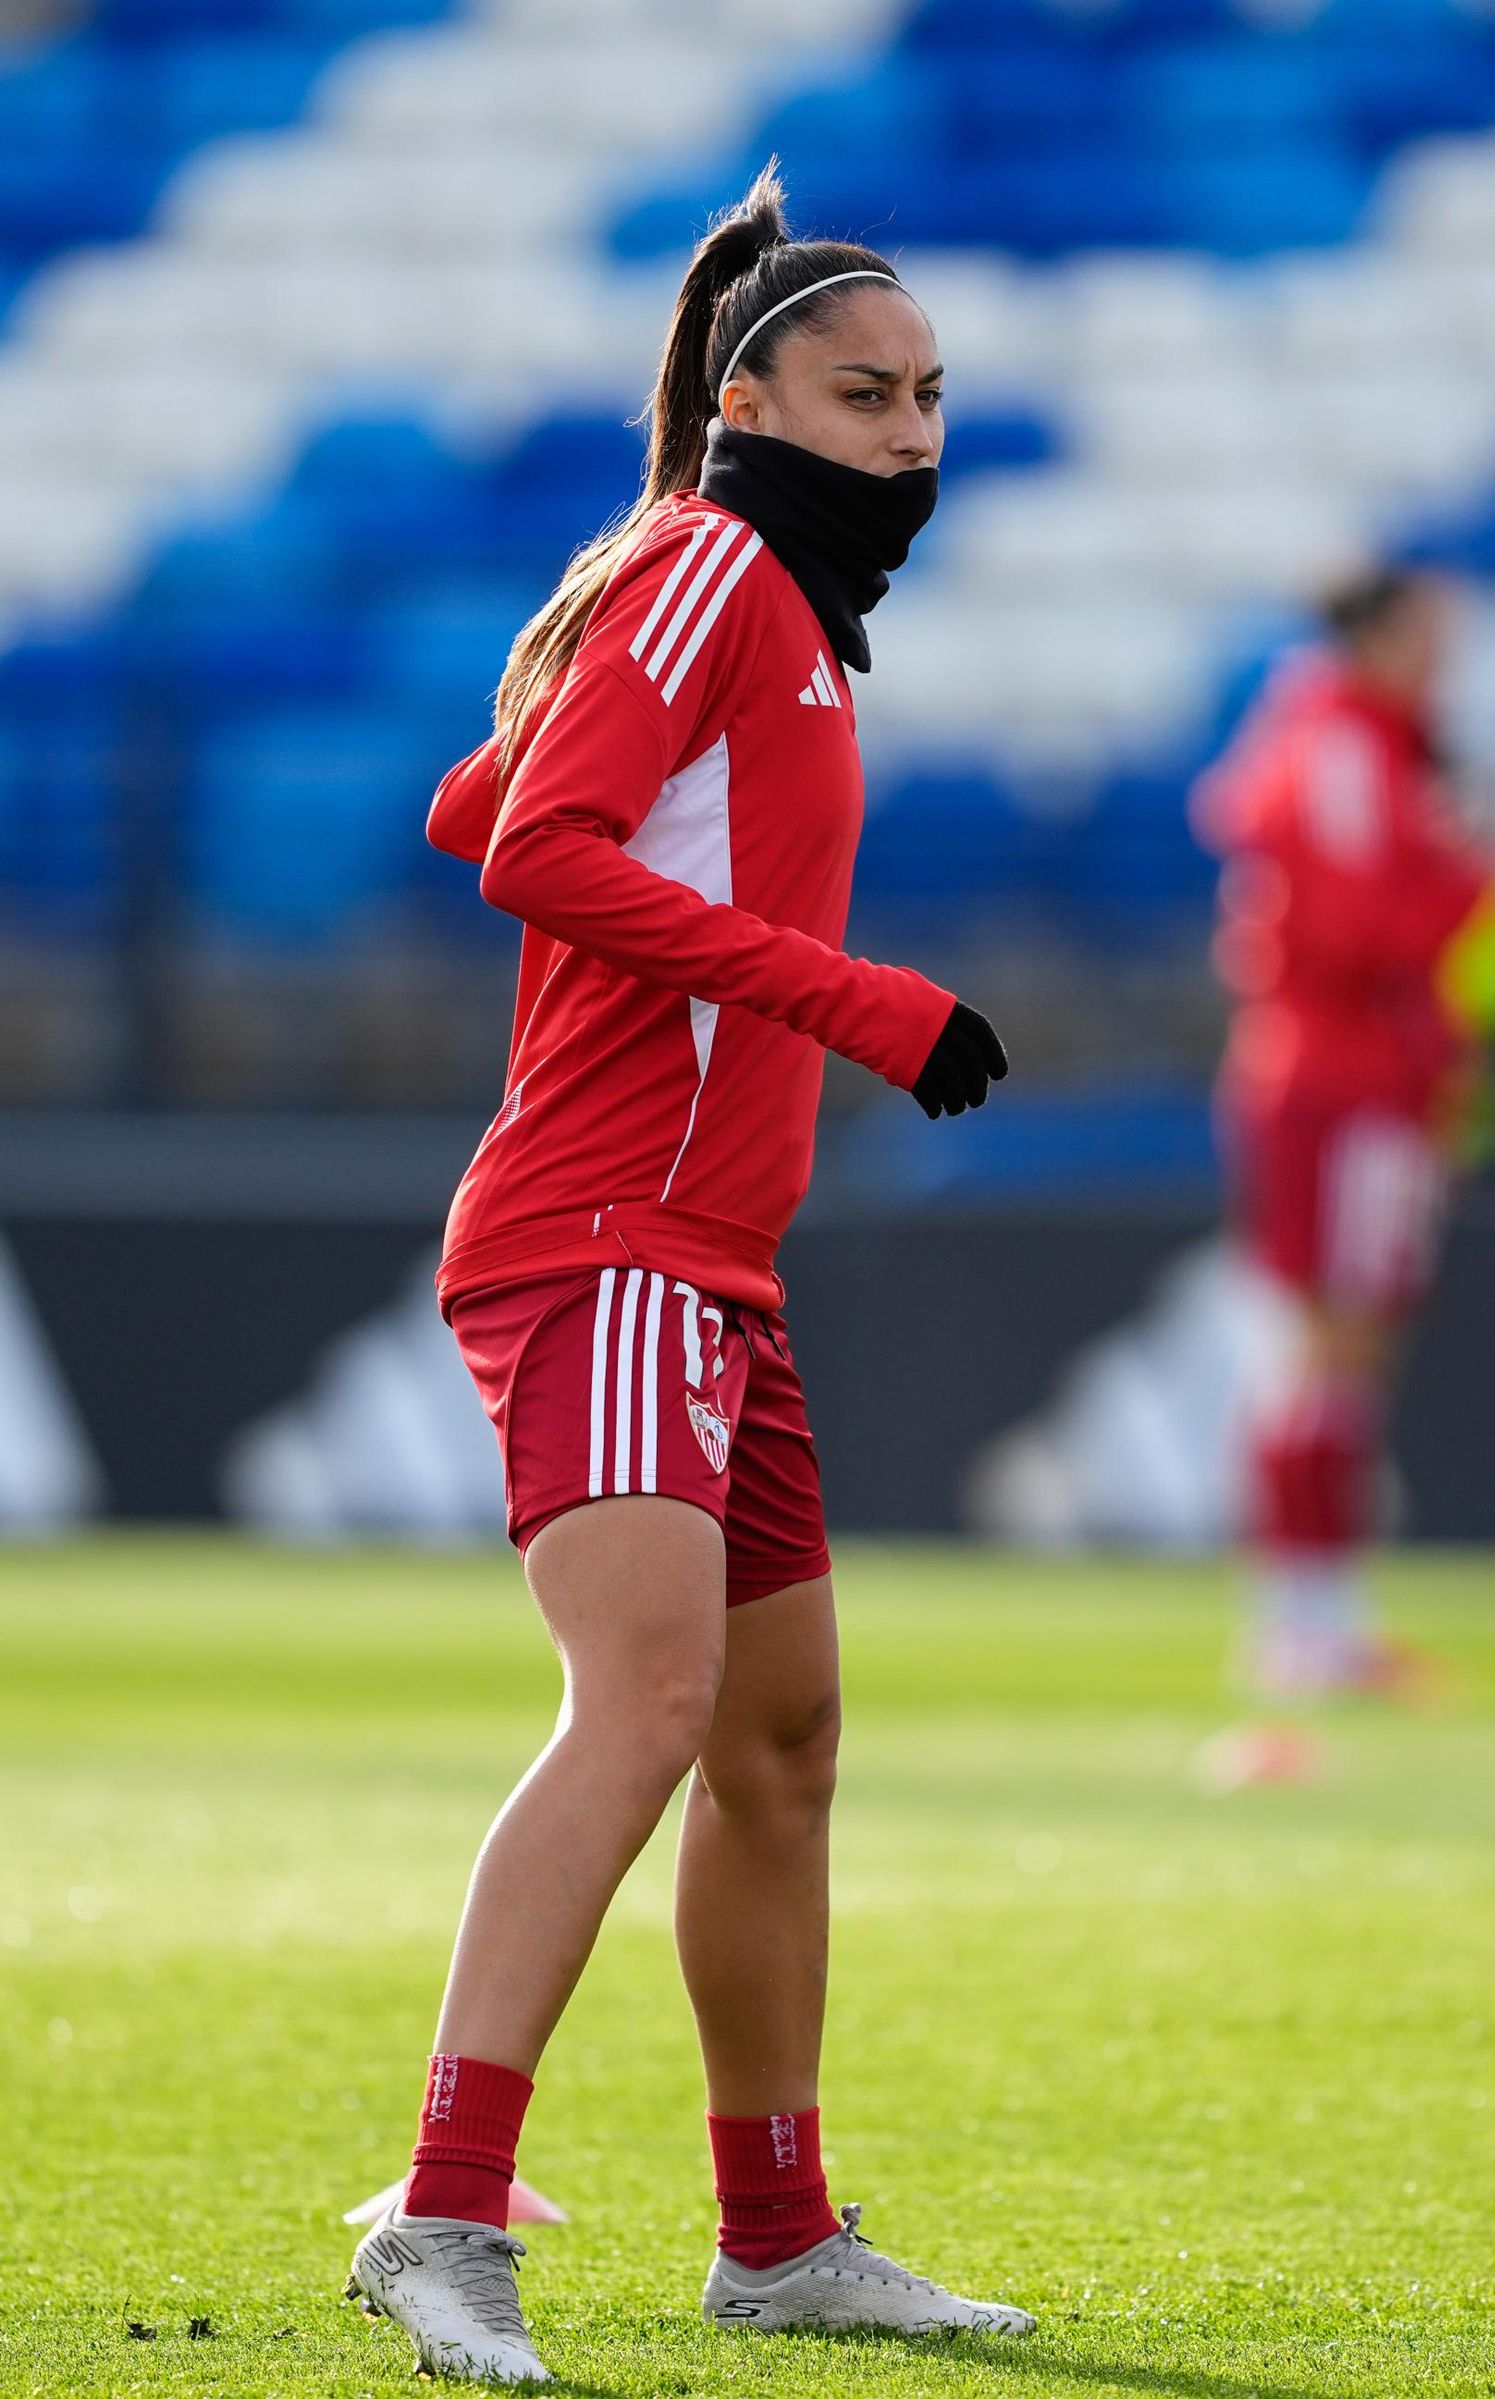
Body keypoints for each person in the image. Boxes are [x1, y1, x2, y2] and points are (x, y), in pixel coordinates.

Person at [343, 167, 1029, 2385]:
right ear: (750, 396)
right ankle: (442, 2212)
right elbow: (536, 847)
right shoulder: (714, 565)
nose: (909, 430)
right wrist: (861, 1003)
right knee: (643, 1708)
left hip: (710, 1256)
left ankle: (775, 2234)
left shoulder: (743, 592)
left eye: (928, 395)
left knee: (782, 1742)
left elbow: (482, 808)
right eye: (864, 392)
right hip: (604, 1229)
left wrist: (562, 706)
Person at [1194, 565, 1495, 1707]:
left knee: (1338, 1352)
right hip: (1345, 1084)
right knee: (1331, 1351)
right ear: (1381, 634)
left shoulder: (1367, 746)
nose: (1445, 659)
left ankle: (1314, 1616)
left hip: (1348, 1080)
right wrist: (1473, 886)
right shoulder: (1346, 750)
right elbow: (1354, 925)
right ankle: (1303, 1624)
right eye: (1431, 635)